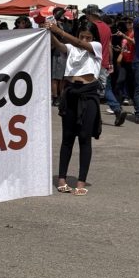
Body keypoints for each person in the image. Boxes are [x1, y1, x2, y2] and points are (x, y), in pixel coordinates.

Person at [47, 18, 102, 196]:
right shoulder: (71, 48)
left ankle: (81, 181)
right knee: (67, 138)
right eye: (82, 36)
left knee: (85, 138)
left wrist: (60, 31)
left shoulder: (96, 47)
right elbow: (60, 46)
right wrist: (50, 32)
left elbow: (80, 44)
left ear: (93, 38)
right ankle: (62, 179)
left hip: (89, 95)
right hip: (71, 92)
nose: (84, 40)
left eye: (88, 37)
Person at [83, 5, 125, 126]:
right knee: (105, 89)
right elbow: (109, 46)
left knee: (93, 90)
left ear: (90, 14)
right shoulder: (106, 27)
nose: (86, 16)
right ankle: (113, 111)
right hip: (104, 62)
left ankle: (106, 113)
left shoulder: (91, 27)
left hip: (93, 63)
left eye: (86, 14)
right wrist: (110, 62)